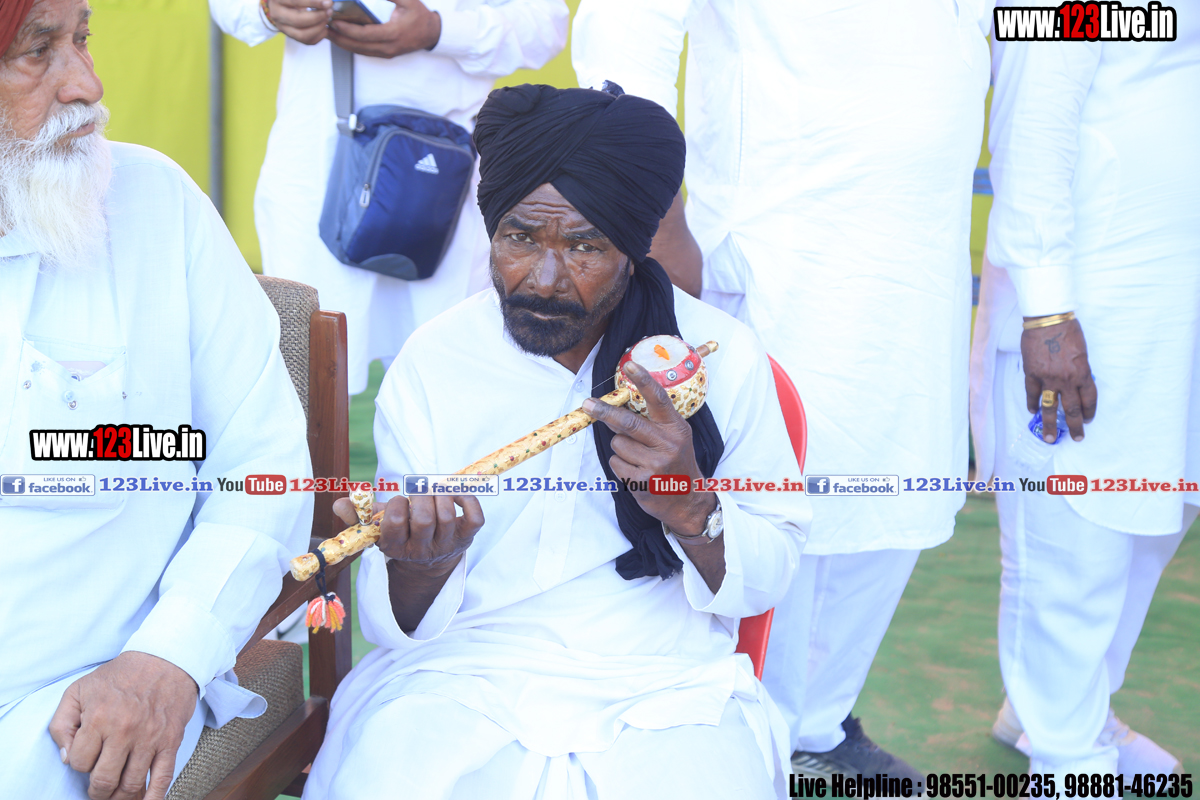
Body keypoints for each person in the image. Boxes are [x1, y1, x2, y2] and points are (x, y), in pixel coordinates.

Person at [301, 83, 809, 800]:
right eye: (519, 238)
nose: (542, 279)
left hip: (665, 680)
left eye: (583, 246)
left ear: (631, 248)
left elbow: (769, 577)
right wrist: (423, 565)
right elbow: (399, 621)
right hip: (457, 674)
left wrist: (693, 508)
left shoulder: (721, 355)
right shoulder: (436, 359)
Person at [572, 0, 992, 778]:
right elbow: (631, 24)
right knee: (771, 497)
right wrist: (653, 216)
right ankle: (745, 731)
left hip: (917, 260)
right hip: (784, 250)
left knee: (889, 500)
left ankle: (817, 727)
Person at [0, 0, 314, 797]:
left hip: (79, 695)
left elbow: (263, 468)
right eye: (37, 51)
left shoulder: (154, 204)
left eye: (81, 40)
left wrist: (166, 656)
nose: (87, 85)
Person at [970, 0, 1198, 780]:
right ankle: (1068, 754)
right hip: (1096, 298)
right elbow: (1034, 120)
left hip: (1179, 298)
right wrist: (1047, 307)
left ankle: (1067, 711)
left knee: (1158, 512)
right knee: (1079, 525)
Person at [209, 0, 568, 396]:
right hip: (314, 172)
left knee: (448, 383)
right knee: (307, 382)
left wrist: (439, 30)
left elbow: (546, 25)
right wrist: (268, 9)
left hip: (444, 188)